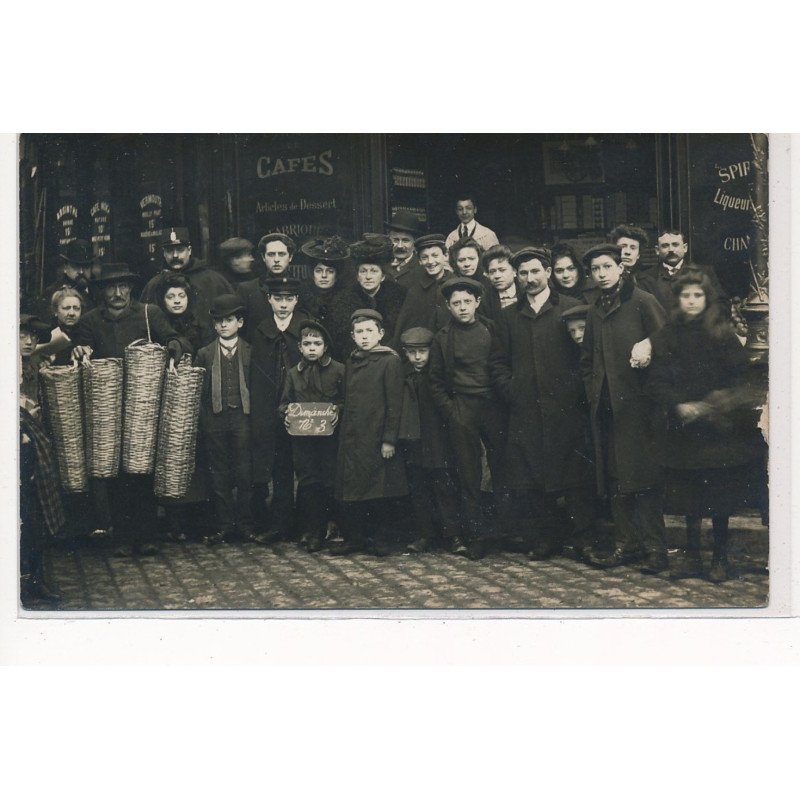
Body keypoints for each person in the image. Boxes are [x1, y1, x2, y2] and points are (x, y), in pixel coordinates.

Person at [646, 271, 766, 582]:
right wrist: (678, 404)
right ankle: (692, 557)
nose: (691, 301)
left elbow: (741, 378)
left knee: (719, 496)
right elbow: (656, 380)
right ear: (678, 299)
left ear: (706, 298)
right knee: (689, 496)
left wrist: (716, 403)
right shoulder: (667, 335)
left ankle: (720, 559)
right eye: (686, 295)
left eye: (697, 295)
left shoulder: (722, 334)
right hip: (685, 428)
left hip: (718, 429)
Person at [491, 248, 603, 561]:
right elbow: (498, 363)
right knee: (533, 478)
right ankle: (546, 539)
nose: (530, 278)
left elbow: (588, 356)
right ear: (516, 276)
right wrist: (513, 391)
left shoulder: (572, 308)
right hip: (526, 409)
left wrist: (577, 393)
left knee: (575, 477)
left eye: (535, 271)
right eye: (524, 273)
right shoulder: (509, 317)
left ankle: (583, 539)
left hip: (566, 409)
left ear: (548, 272)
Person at [71, 262, 188, 557]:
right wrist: (80, 350)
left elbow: (173, 337)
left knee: (141, 469)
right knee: (116, 474)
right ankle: (122, 536)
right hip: (107, 405)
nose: (117, 293)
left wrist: (173, 347)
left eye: (123, 286)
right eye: (111, 287)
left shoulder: (149, 314)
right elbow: (81, 347)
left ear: (131, 289)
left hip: (142, 403)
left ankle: (147, 535)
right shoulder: (90, 321)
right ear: (102, 292)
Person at [578, 244, 670, 574]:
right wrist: (593, 390)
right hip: (605, 408)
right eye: (595, 270)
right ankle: (625, 542)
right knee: (616, 476)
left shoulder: (642, 301)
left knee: (644, 476)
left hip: (640, 409)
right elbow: (587, 358)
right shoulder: (594, 308)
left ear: (621, 267)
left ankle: (655, 548)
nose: (601, 274)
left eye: (607, 267)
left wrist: (650, 352)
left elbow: (667, 345)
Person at [428, 276, 509, 560]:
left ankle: (502, 532)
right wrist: (453, 412)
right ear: (448, 307)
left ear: (477, 302)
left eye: (467, 302)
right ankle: (476, 535)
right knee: (468, 473)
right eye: (456, 303)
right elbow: (435, 382)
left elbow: (502, 365)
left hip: (492, 407)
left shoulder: (491, 328)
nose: (462, 307)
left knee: (502, 469)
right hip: (462, 407)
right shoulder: (442, 337)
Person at [332, 309, 408, 556]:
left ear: (381, 334)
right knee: (352, 488)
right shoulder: (352, 360)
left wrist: (389, 439)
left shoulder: (389, 360)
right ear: (353, 336)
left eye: (369, 331)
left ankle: (380, 539)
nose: (364, 337)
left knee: (379, 489)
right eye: (359, 332)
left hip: (376, 436)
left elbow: (395, 403)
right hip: (353, 436)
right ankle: (355, 538)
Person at [153, 272, 215, 542]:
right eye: (171, 297)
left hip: (194, 396)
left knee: (195, 454)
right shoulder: (158, 327)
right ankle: (171, 518)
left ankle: (196, 518)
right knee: (169, 453)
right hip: (167, 397)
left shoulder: (200, 326)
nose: (177, 301)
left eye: (182, 296)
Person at [248, 275, 310, 542]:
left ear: (296, 300)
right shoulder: (260, 330)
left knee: (307, 467)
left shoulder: (307, 328)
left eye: (288, 299)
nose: (283, 305)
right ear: (269, 299)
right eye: (278, 299)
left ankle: (308, 526)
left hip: (302, 407)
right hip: (270, 408)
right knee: (279, 467)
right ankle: (280, 523)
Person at [278, 319, 345, 553]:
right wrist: (286, 415)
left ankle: (331, 527)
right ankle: (310, 531)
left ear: (325, 346)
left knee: (329, 481)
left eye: (317, 343)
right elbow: (284, 403)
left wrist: (338, 410)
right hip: (303, 440)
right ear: (300, 348)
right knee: (308, 482)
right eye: (307, 343)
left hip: (330, 439)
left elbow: (347, 400)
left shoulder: (338, 370)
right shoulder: (293, 374)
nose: (312, 348)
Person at [194, 294, 256, 546]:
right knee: (218, 472)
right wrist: (204, 419)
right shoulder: (205, 353)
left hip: (242, 417)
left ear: (239, 323)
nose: (223, 325)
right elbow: (198, 392)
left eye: (229, 320)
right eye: (218, 321)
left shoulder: (251, 351)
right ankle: (223, 526)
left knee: (244, 473)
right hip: (215, 418)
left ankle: (245, 526)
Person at [397, 327, 460, 554]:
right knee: (419, 489)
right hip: (414, 440)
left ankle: (453, 535)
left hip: (439, 440)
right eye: (412, 353)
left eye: (422, 352)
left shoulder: (438, 375)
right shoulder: (403, 375)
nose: (417, 358)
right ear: (405, 353)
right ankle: (424, 534)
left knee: (445, 488)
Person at [19, 314, 64, 606]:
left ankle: (34, 579)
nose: (28, 341)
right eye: (21, 335)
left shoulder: (31, 365)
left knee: (33, 520)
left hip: (29, 447)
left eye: (33, 337)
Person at [326, 234, 408, 361]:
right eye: (363, 271)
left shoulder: (399, 297)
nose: (368, 276)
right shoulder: (343, 301)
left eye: (374, 271)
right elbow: (342, 342)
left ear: (383, 276)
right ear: (357, 276)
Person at [140, 226, 233, 328]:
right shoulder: (154, 284)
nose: (175, 255)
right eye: (170, 250)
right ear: (164, 253)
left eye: (180, 250)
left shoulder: (213, 280)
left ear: (189, 250)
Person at [637, 228, 728, 314]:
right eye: (665, 246)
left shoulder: (705, 273)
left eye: (675, 244)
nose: (671, 250)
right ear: (657, 250)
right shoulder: (646, 277)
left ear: (685, 248)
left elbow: (722, 305)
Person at [392, 233, 452, 345]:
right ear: (419, 261)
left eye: (435, 255)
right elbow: (404, 325)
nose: (430, 261)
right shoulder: (415, 291)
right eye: (425, 257)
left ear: (445, 256)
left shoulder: (456, 285)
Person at [237, 233, 299, 337]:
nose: (276, 260)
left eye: (282, 254)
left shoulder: (301, 289)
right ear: (263, 257)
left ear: (291, 257)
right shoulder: (247, 290)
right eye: (271, 254)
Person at [37, 238, 96, 318]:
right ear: (65, 267)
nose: (81, 272)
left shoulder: (97, 291)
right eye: (76, 266)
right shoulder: (52, 293)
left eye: (86, 267)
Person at [298, 235, 351, 323]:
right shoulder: (302, 300)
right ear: (312, 274)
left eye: (330, 271)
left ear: (337, 275)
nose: (324, 275)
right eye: (318, 271)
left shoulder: (346, 300)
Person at [35, 287, 85, 366]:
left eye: (76, 308)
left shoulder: (87, 334)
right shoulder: (46, 336)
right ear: (55, 311)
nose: (72, 313)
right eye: (66, 308)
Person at [480, 244, 523, 323]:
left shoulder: (527, 293)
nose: (497, 276)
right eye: (492, 272)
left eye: (502, 270)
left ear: (514, 271)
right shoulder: (484, 301)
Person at [384, 210, 423, 288]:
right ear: (389, 239)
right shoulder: (382, 263)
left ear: (414, 242)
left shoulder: (422, 267)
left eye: (405, 240)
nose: (400, 246)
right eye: (395, 240)